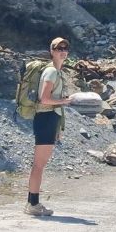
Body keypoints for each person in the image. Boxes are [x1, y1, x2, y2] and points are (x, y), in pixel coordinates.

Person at [25, 37, 75, 217]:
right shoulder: (52, 72)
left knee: (39, 164)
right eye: (59, 48)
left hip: (48, 118)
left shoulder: (56, 71)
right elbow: (44, 98)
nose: (63, 51)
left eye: (65, 48)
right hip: (46, 117)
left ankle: (31, 202)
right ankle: (34, 204)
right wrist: (65, 101)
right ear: (52, 51)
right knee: (39, 164)